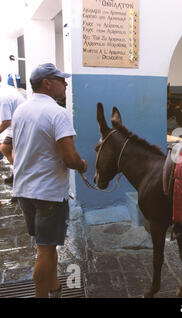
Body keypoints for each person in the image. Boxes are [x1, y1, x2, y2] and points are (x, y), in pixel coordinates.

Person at [12, 63, 88, 298]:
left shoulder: (21, 111)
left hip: (25, 190)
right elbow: (69, 157)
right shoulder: (58, 112)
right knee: (44, 249)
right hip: (48, 193)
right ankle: (40, 294)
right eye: (60, 79)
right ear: (47, 83)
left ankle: (54, 283)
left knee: (47, 243)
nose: (65, 83)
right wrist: (82, 164)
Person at [0, 73, 26, 184]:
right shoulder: (5, 89)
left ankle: (21, 178)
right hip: (16, 124)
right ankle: (17, 173)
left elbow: (6, 122)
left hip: (21, 125)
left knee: (11, 151)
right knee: (6, 148)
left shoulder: (3, 96)